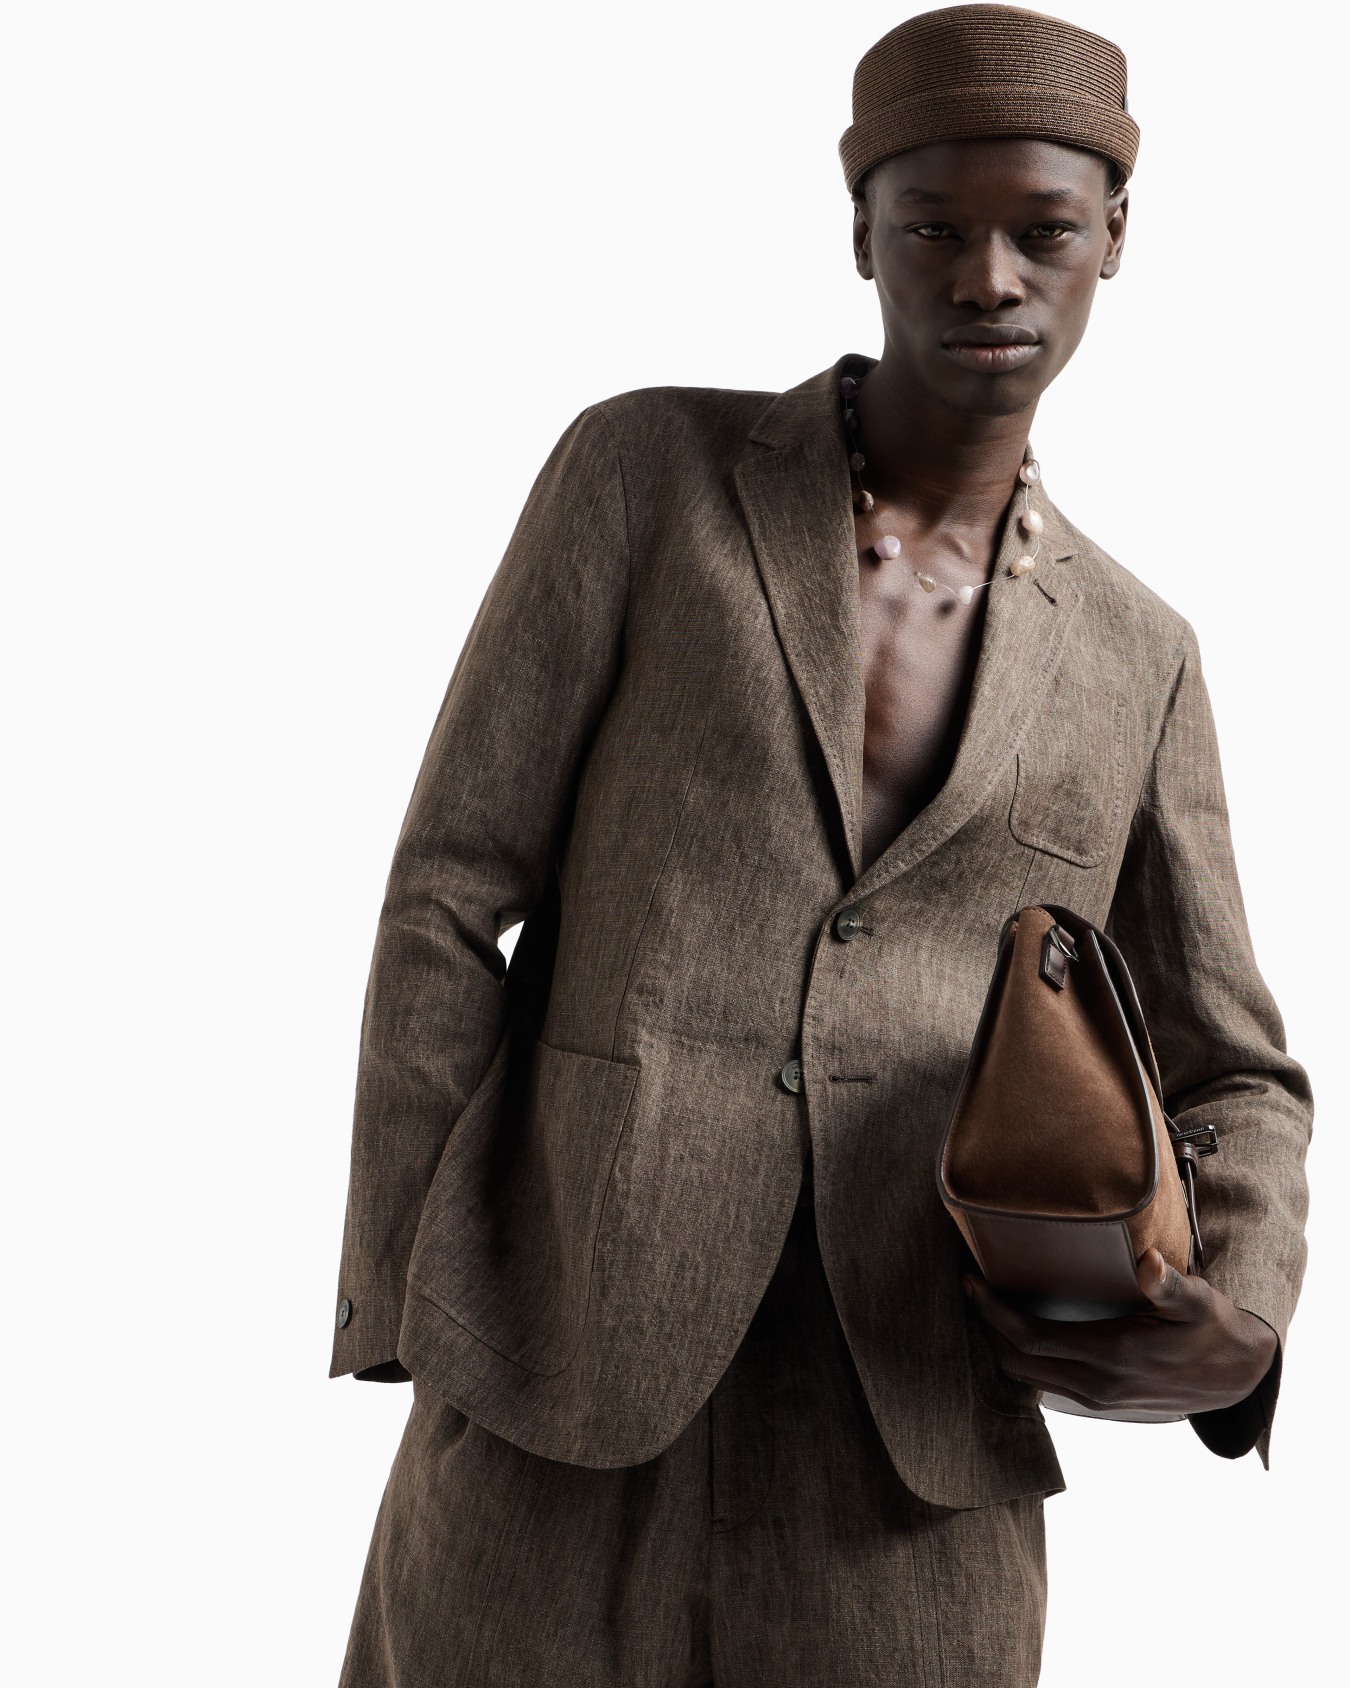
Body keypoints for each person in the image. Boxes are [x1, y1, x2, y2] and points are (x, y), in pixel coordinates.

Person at [329, 7, 1312, 1683]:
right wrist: (420, 1288)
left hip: (913, 1442)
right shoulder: (648, 476)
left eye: (1040, 231)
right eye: (932, 227)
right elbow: (448, 891)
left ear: (1114, 240)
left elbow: (1232, 1067)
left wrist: (1244, 1324)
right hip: (562, 1374)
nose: (986, 277)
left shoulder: (1136, 655)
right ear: (860, 230)